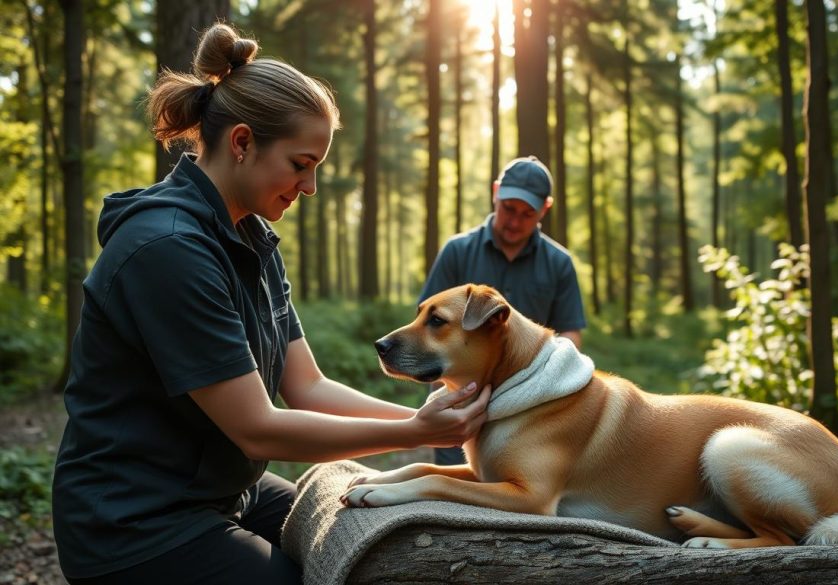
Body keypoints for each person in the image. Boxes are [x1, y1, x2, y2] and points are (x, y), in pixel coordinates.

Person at [51, 24, 490, 585]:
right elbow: (258, 429)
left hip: (221, 489)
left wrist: (423, 419)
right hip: (133, 523)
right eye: (300, 164)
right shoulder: (167, 250)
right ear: (241, 143)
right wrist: (416, 433)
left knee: (378, 543)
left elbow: (306, 386)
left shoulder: (252, 238)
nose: (308, 187)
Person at [420, 155, 587, 465]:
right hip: (459, 401)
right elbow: (428, 324)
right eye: (508, 208)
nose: (514, 221)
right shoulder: (458, 251)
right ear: (496, 192)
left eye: (528, 214)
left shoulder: (559, 263)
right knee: (446, 493)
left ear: (545, 209)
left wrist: (545, 378)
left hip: (528, 409)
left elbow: (570, 334)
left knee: (515, 494)